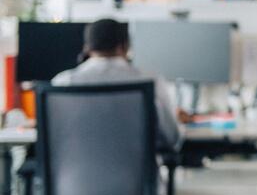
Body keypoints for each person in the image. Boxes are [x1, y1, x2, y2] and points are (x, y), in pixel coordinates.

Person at [52, 18, 182, 152]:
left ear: (87, 48)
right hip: (137, 172)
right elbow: (172, 138)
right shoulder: (150, 81)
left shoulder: (63, 82)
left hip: (72, 172)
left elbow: (53, 137)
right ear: (125, 46)